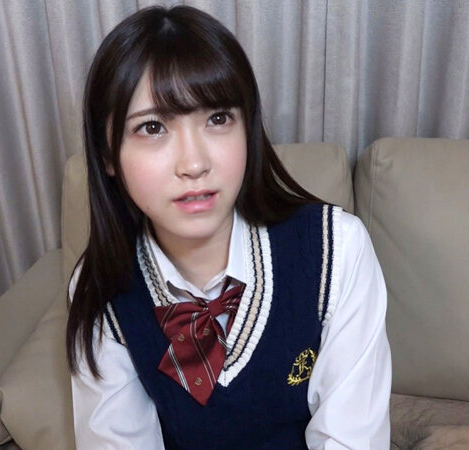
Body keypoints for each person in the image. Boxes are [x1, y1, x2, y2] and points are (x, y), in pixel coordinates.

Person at [66, 5, 391, 449]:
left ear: (248, 129)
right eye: (153, 127)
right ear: (107, 155)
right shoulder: (100, 288)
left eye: (217, 119)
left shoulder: (337, 250)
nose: (194, 163)